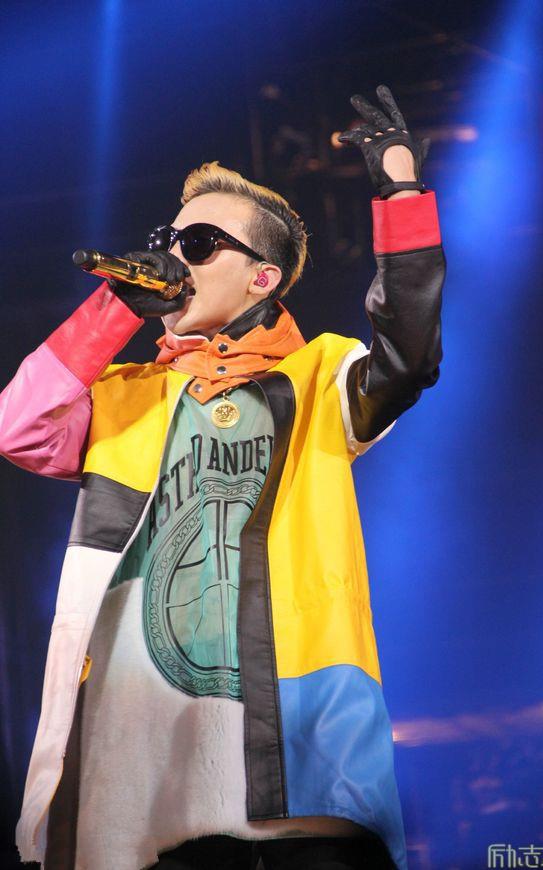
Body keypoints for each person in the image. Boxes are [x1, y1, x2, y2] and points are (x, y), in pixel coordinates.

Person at [0, 85, 445, 870]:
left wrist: (402, 196)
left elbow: (409, 354)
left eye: (200, 244)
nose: (175, 258)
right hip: (141, 765)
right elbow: (17, 427)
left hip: (295, 751)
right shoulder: (125, 395)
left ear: (262, 279)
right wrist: (112, 309)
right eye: (168, 240)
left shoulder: (320, 377)